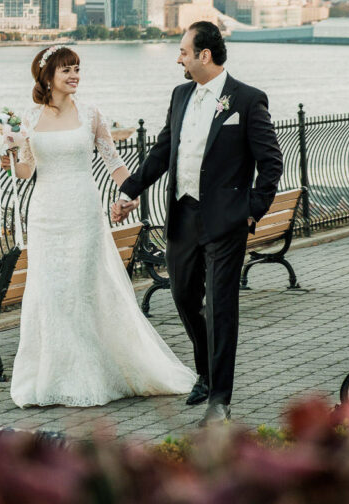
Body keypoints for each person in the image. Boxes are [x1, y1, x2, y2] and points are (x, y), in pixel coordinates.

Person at [111, 21, 283, 427]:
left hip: (225, 223)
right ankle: (205, 374)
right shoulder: (180, 94)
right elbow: (163, 150)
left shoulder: (247, 99)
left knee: (221, 308)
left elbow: (271, 163)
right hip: (183, 215)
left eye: (184, 52)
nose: (178, 58)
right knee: (185, 298)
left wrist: (252, 210)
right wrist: (129, 191)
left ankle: (220, 399)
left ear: (204, 56)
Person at [5, 45, 197, 408]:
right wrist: (9, 157)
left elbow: (114, 161)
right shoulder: (28, 119)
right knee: (50, 293)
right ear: (48, 76)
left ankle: (88, 376)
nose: (75, 75)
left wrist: (131, 191)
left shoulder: (90, 114)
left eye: (77, 69)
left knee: (80, 289)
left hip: (83, 211)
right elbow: (28, 170)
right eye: (67, 70)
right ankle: (50, 377)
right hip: (46, 214)